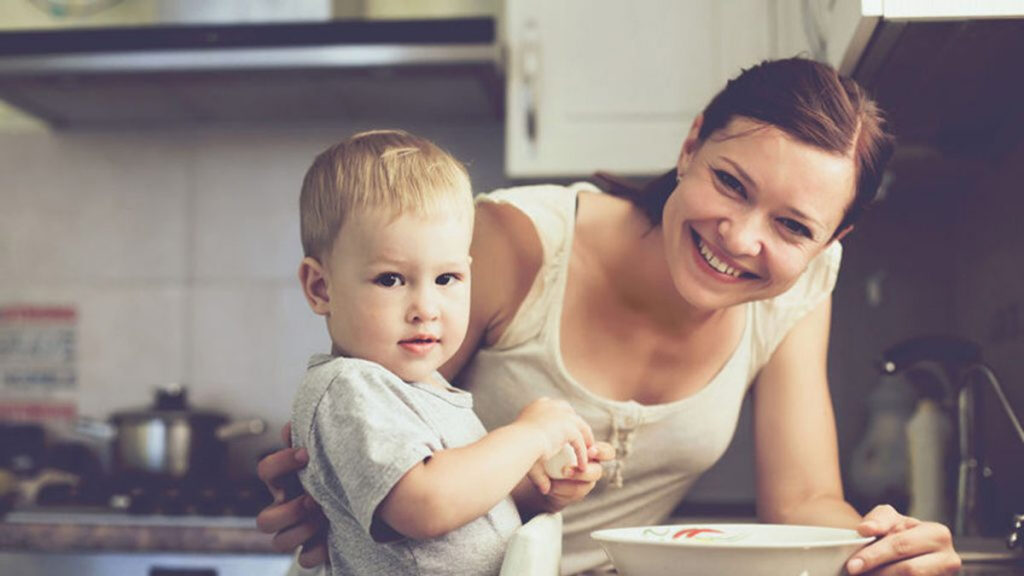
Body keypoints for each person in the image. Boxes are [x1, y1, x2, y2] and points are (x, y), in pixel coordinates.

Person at [259, 59, 962, 575]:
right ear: (690, 147)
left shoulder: (801, 288)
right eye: (730, 182)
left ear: (830, 243)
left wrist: (887, 546)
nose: (743, 238)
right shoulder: (513, 244)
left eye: (793, 227)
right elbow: (370, 420)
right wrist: (314, 491)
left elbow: (804, 499)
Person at [290, 129, 606, 575]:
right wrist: (528, 435)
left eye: (446, 279)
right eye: (391, 280)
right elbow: (426, 505)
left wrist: (541, 490)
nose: (426, 309)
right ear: (321, 288)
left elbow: (466, 505)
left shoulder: (425, 387)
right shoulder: (349, 389)